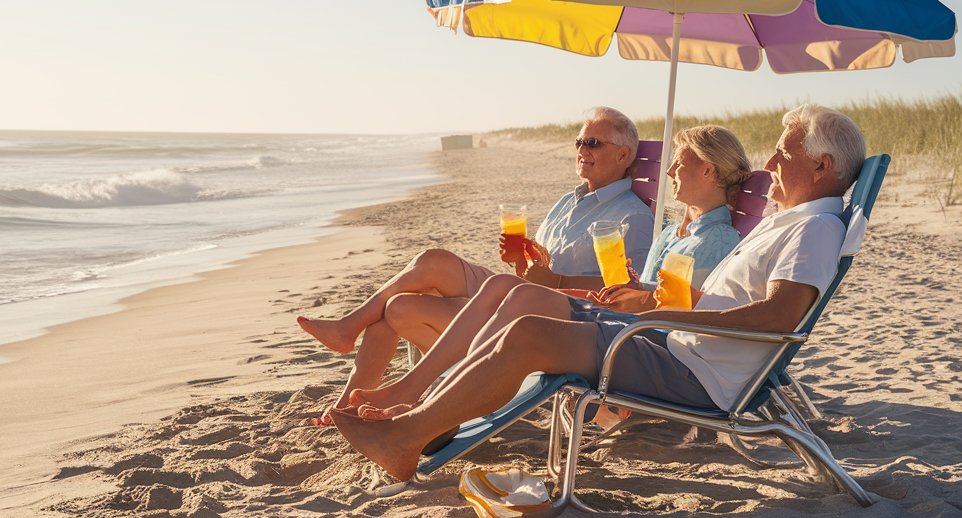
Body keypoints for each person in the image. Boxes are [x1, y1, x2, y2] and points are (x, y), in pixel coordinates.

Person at [331, 104, 867, 482]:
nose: (769, 165)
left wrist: (668, 307)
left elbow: (780, 318)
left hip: (693, 369)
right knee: (522, 303)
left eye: (782, 153)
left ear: (821, 166)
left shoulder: (814, 228)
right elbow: (732, 301)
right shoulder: (790, 222)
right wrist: (653, 301)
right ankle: (418, 414)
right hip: (672, 339)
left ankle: (407, 438)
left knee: (529, 336)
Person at [346, 124, 752, 421]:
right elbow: (656, 291)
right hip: (617, 317)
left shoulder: (713, 240)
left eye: (680, 165)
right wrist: (628, 286)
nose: (669, 174)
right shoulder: (677, 233)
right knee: (490, 283)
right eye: (580, 141)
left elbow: (686, 313)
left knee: (509, 293)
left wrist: (617, 292)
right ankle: (417, 394)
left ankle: (423, 398)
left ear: (709, 171)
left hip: (636, 338)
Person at [297, 107, 653, 422]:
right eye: (579, 141)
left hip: (551, 311)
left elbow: (627, 295)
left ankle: (367, 371)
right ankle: (350, 362)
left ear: (623, 154)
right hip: (526, 291)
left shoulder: (632, 216)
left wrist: (555, 280)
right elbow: (538, 268)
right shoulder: (569, 201)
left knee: (400, 306)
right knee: (433, 262)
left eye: (593, 143)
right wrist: (521, 260)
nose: (581, 150)